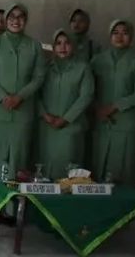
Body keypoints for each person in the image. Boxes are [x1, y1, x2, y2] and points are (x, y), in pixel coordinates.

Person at [0, 4, 46, 196]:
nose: (16, 20)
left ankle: (12, 209)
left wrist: (19, 97)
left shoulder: (34, 46)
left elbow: (39, 77)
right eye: (12, 16)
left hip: (22, 111)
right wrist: (2, 97)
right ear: (6, 20)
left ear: (26, 20)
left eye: (21, 16)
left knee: (18, 158)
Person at [90, 20, 135, 185]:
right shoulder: (98, 60)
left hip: (127, 124)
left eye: (125, 32)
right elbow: (87, 89)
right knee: (99, 167)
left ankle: (126, 210)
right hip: (102, 123)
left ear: (131, 36)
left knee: (124, 171)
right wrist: (97, 108)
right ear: (110, 36)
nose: (120, 37)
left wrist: (115, 106)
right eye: (115, 32)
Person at [36, 29, 94, 180]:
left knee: (68, 173)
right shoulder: (46, 68)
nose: (63, 47)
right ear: (53, 47)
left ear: (73, 46)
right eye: (58, 43)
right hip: (47, 127)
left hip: (71, 127)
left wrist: (66, 119)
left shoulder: (83, 68)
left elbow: (86, 96)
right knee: (44, 169)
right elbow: (36, 94)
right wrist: (44, 114)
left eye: (67, 43)